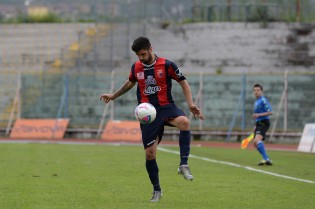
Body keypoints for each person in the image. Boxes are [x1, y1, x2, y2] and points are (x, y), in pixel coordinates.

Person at [99, 37, 205, 202]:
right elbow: (130, 83)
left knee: (184, 122)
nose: (140, 58)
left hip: (166, 107)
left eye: (142, 54)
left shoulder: (167, 65)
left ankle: (183, 164)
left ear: (150, 49)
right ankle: (157, 190)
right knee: (150, 154)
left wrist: (190, 104)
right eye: (137, 55)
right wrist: (113, 96)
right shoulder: (136, 67)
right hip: (148, 114)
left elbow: (184, 83)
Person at [252, 83, 273, 166]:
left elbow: (271, 112)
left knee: (257, 141)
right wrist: (255, 125)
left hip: (264, 122)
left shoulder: (263, 100)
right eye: (254, 90)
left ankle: (266, 159)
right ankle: (266, 158)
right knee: (254, 143)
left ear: (261, 91)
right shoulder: (257, 101)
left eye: (258, 90)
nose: (256, 92)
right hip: (259, 123)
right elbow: (257, 114)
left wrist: (258, 115)